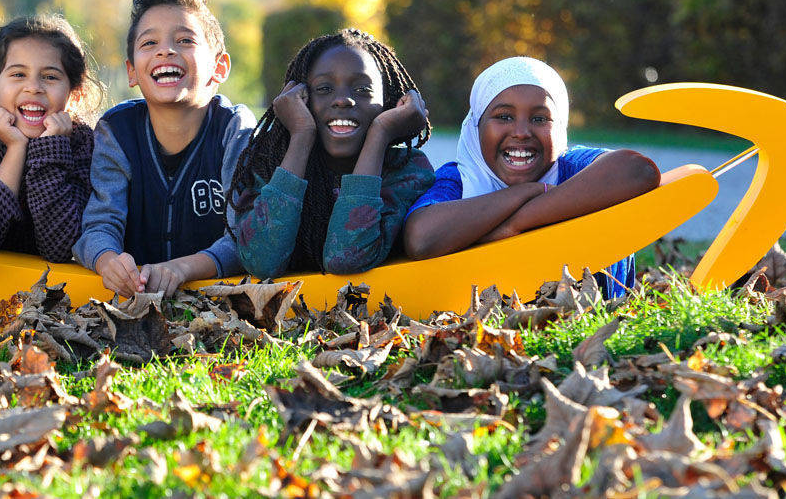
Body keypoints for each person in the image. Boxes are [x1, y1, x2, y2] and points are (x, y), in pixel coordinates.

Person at [402, 56, 660, 298]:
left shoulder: (570, 168)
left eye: (539, 118)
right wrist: (522, 193)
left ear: (560, 128)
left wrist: (514, 225)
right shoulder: (460, 178)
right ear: (475, 127)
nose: (522, 132)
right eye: (504, 116)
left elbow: (638, 171)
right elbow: (421, 238)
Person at [73, 0, 256, 297]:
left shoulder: (234, 130)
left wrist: (181, 268)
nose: (166, 50)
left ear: (219, 66)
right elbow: (99, 224)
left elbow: (245, 236)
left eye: (184, 40)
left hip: (212, 297)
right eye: (149, 42)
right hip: (136, 295)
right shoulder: (118, 131)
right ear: (132, 72)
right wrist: (108, 262)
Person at [229, 29, 435, 277]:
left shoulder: (408, 169)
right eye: (324, 89)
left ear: (389, 102)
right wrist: (302, 134)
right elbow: (262, 263)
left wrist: (380, 134)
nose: (343, 100)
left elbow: (344, 258)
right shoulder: (269, 164)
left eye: (362, 90)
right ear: (300, 101)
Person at [0, 15, 101, 262]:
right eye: (18, 75)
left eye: (50, 77)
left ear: (75, 96)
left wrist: (50, 149)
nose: (33, 87)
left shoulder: (83, 144)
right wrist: (15, 149)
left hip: (49, 285)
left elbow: (62, 248)